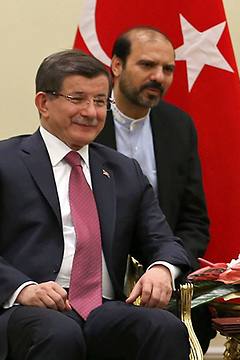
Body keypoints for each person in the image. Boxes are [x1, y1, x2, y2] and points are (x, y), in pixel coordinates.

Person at [0, 50, 191, 360]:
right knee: (58, 333)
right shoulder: (6, 162)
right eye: (77, 99)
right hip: (26, 307)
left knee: (162, 327)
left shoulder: (123, 170)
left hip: (103, 308)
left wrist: (161, 270)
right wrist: (24, 288)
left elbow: (163, 240)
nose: (91, 112)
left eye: (101, 101)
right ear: (43, 103)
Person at [93, 27, 213, 351]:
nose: (158, 77)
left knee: (201, 311)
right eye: (147, 65)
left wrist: (167, 268)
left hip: (163, 269)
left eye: (168, 69)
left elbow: (194, 221)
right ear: (116, 66)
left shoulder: (178, 126)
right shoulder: (87, 122)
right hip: (98, 272)